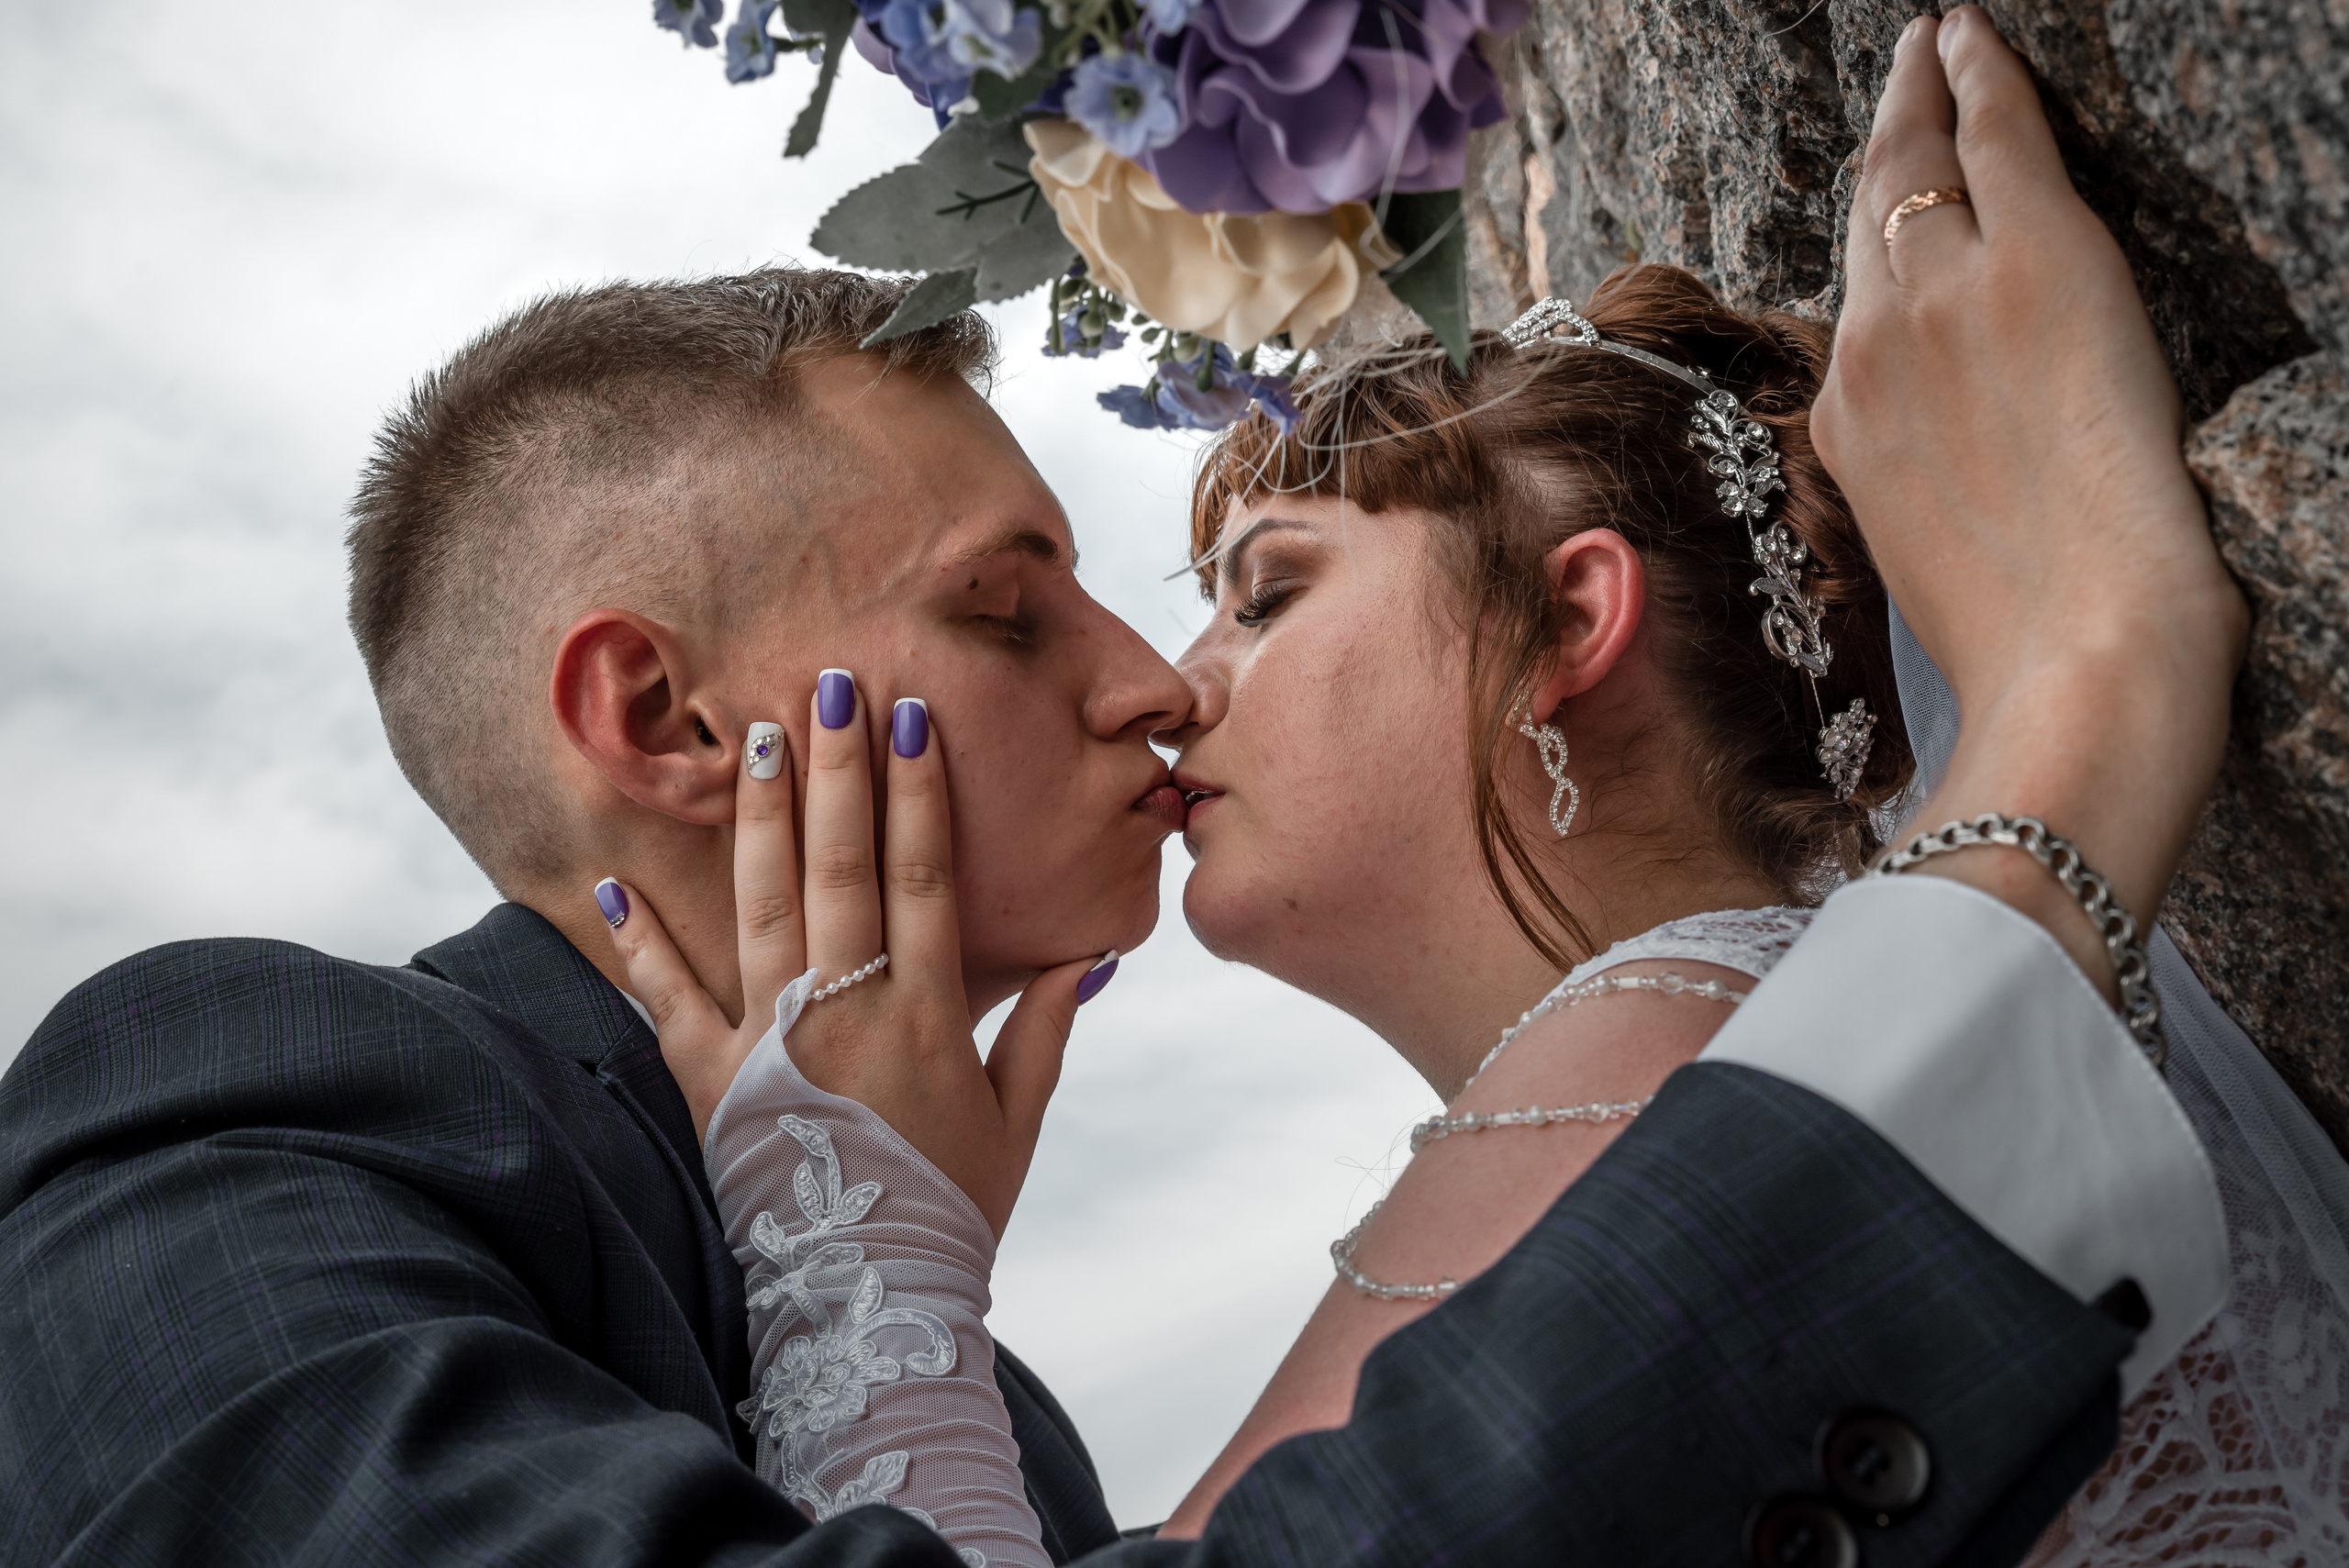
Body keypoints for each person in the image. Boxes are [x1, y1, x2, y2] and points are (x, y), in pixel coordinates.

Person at [0, 12, 2269, 1568]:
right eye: (1008, 610)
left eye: (1219, 599)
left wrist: (879, 1300)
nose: (1149, 691)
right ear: (669, 727)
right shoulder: (243, 1109)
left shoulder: (1003, 1407)